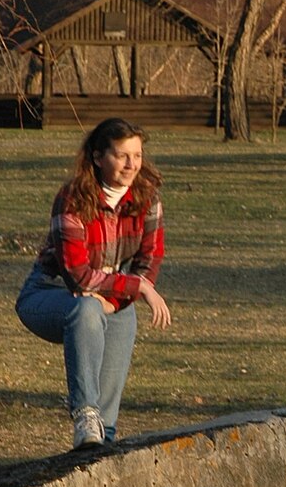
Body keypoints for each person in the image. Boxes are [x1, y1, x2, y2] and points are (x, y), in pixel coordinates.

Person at [16, 117, 171, 449]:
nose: (132, 165)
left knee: (120, 317)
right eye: (122, 155)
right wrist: (138, 287)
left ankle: (102, 440)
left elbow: (149, 259)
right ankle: (85, 414)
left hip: (111, 296)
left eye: (137, 155)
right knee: (86, 307)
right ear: (98, 157)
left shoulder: (148, 198)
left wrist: (116, 300)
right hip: (50, 293)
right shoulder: (72, 198)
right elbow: (78, 275)